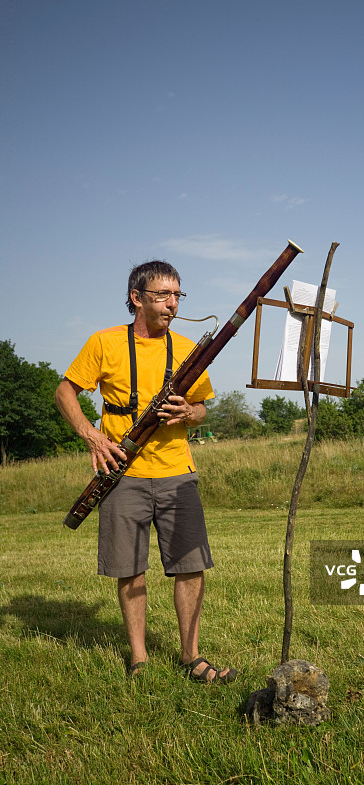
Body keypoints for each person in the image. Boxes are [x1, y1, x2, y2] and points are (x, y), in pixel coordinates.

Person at [55, 260, 236, 683]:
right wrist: (91, 434)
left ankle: (191, 656)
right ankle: (139, 658)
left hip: (178, 471)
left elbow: (203, 408)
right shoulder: (104, 341)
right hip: (122, 473)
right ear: (137, 298)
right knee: (129, 566)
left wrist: (190, 413)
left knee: (191, 565)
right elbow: (65, 390)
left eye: (177, 295)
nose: (172, 304)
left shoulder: (190, 347)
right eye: (162, 295)